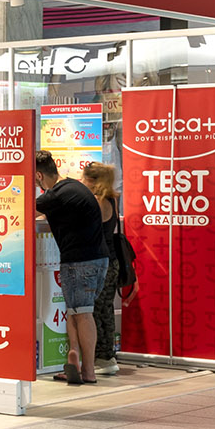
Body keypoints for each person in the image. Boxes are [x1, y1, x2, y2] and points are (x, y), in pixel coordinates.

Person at [34, 150, 108, 384]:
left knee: (83, 313)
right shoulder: (72, 187)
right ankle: (74, 361)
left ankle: (89, 371)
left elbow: (17, 212)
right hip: (94, 258)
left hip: (80, 261)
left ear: (37, 175)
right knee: (75, 312)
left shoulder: (55, 195)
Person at [81, 162, 125, 378]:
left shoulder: (96, 202)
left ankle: (103, 357)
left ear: (91, 181)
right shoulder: (112, 199)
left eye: (84, 179)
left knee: (97, 310)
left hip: (100, 261)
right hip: (113, 260)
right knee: (105, 308)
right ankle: (108, 355)